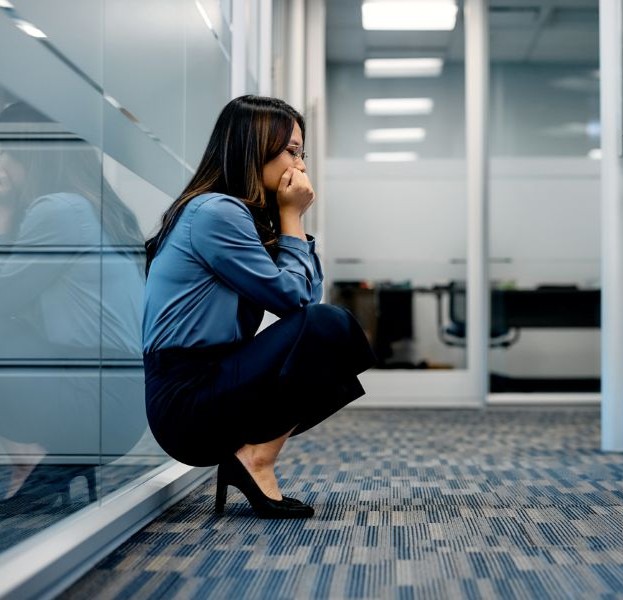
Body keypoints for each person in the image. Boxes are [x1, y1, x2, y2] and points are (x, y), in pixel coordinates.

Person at [142, 96, 375, 519]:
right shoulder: (216, 212)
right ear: (254, 148)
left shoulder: (239, 216)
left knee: (331, 331)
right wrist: (293, 218)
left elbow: (306, 298)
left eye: (302, 154)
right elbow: (297, 301)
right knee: (329, 326)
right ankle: (255, 459)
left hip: (211, 378)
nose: (300, 166)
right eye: (292, 152)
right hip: (185, 399)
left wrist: (288, 222)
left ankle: (252, 457)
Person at [0, 100, 146, 515]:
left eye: (3, 150)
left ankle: (28, 455)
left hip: (95, 400)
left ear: (29, 153)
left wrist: (4, 210)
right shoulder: (92, 208)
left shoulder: (58, 211)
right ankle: (31, 456)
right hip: (121, 398)